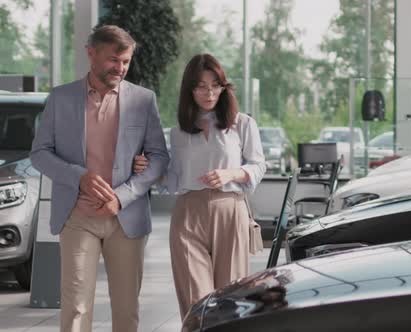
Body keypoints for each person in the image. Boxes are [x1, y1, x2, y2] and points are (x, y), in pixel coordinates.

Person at [30, 25, 169, 332]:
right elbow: (39, 153)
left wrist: (122, 196)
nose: (120, 68)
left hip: (127, 216)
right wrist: (78, 177)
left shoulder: (143, 100)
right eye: (113, 60)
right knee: (76, 307)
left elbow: (159, 158)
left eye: (125, 62)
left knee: (125, 308)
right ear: (91, 54)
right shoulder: (60, 98)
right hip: (77, 215)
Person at [134, 53, 265, 318]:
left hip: (230, 211)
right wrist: (151, 171)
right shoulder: (179, 131)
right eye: (201, 86)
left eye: (215, 85)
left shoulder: (242, 124)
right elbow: (173, 179)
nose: (209, 92)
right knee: (196, 301)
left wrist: (232, 173)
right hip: (188, 214)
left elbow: (258, 165)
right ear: (189, 89)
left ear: (223, 87)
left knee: (230, 299)